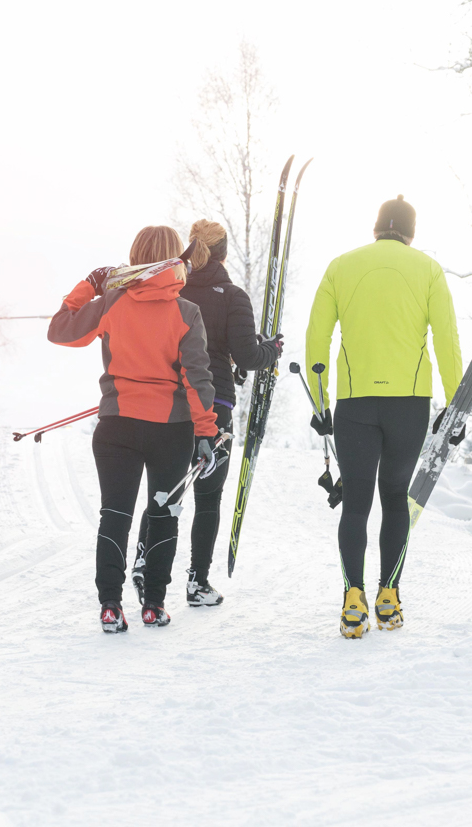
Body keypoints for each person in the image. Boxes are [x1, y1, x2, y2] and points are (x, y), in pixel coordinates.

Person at [48, 225, 219, 633]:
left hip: (117, 429)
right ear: (176, 260)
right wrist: (206, 433)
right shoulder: (187, 313)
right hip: (170, 432)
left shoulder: (112, 302)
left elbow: (60, 329)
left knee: (115, 516)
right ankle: (154, 605)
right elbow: (197, 379)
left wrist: (89, 284)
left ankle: (110, 606)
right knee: (163, 515)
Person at [305, 195, 462, 638]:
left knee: (356, 502)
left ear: (376, 228)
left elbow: (317, 338)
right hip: (409, 403)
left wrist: (320, 402)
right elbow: (446, 339)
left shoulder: (341, 266)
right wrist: (455, 404)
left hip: (354, 403)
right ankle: (388, 596)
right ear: (411, 233)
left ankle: (352, 601)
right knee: (395, 498)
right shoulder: (428, 269)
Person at [132, 219, 282, 606]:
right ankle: (197, 583)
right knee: (208, 498)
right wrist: (272, 349)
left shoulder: (173, 290)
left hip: (171, 403)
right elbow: (248, 356)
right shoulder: (232, 297)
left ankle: (143, 560)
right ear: (224, 254)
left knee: (165, 489)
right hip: (215, 405)